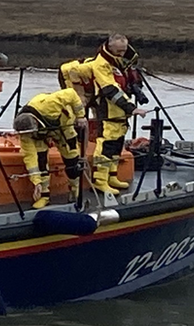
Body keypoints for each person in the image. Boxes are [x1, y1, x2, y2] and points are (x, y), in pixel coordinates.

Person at [90, 34, 148, 195]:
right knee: (107, 143)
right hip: (107, 107)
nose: (122, 54)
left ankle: (112, 175)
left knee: (118, 142)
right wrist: (132, 108)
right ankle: (100, 180)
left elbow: (129, 79)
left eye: (124, 51)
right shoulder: (101, 64)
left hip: (121, 110)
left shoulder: (123, 61)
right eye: (118, 51)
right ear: (110, 48)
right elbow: (110, 90)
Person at [13, 88, 87, 208]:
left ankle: (75, 190)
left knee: (72, 160)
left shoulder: (48, 104)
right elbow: (30, 158)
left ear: (35, 124)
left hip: (64, 126)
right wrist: (36, 181)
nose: (28, 137)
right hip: (43, 135)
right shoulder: (25, 133)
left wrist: (80, 116)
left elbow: (71, 93)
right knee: (40, 161)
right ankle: (44, 195)